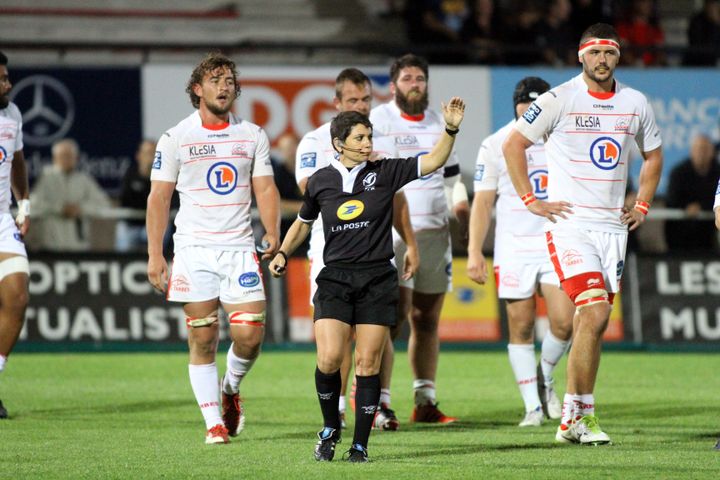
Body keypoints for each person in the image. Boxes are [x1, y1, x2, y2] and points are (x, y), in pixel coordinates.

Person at [270, 98, 466, 462]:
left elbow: (434, 160)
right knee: (329, 358)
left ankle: (359, 445)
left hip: (377, 278)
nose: (367, 143)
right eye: (360, 137)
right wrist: (282, 252)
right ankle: (330, 428)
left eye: (369, 136)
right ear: (338, 143)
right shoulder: (321, 181)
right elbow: (303, 222)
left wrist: (450, 129)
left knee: (367, 364)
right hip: (335, 279)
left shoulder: (386, 171)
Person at [503, 23, 663, 445]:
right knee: (593, 312)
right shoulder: (559, 98)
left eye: (609, 53)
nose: (602, 60)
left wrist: (642, 202)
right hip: (570, 225)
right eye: (595, 53)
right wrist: (529, 199)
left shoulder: (635, 102)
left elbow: (654, 153)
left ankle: (571, 417)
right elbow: (513, 145)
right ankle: (580, 416)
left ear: (619, 57)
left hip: (613, 227)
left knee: (592, 320)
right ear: (581, 56)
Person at [146, 52, 280, 445]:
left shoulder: (253, 134)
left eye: (229, 79)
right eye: (215, 79)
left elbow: (266, 187)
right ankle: (213, 424)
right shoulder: (176, 137)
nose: (224, 86)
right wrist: (156, 253)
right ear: (196, 88)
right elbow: (159, 198)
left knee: (249, 336)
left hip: (239, 248)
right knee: (203, 337)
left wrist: (271, 229)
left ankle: (231, 388)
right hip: (193, 250)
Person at [295, 68, 418, 430]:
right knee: (339, 337)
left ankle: (379, 403)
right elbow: (311, 191)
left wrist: (410, 242)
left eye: (366, 99)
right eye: (353, 100)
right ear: (337, 103)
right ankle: (342, 409)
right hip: (329, 249)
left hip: (378, 247)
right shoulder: (314, 142)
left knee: (380, 329)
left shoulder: (381, 143)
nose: (362, 105)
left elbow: (398, 200)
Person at [468, 76, 575, 427]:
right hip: (514, 247)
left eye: (536, 103)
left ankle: (545, 376)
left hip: (555, 241)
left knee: (563, 322)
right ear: (514, 105)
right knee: (521, 324)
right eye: (523, 103)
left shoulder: (562, 138)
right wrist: (473, 252)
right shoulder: (496, 143)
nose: (529, 110)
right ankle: (532, 406)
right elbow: (482, 204)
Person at [371, 53, 470, 425]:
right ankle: (377, 400)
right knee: (389, 318)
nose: (415, 84)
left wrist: (462, 213)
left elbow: (452, 181)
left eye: (420, 78)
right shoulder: (378, 121)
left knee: (426, 318)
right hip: (390, 234)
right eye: (407, 78)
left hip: (434, 234)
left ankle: (424, 400)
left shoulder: (439, 124)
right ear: (393, 84)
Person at [0, 51, 30, 419]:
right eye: (3, 78)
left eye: (7, 77)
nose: (8, 84)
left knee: (18, 295)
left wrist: (25, 205)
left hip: (1, 220)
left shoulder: (13, 114)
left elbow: (18, 162)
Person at [30, 138, 111, 251]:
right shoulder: (47, 177)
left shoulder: (83, 179)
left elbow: (104, 203)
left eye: (70, 156)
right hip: (51, 244)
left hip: (78, 244)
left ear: (76, 158)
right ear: (55, 158)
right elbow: (34, 203)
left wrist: (80, 209)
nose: (66, 159)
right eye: (63, 156)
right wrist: (60, 208)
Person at [665, 134, 720, 252]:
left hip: (709, 234)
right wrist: (687, 208)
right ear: (691, 151)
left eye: (705, 150)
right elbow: (672, 200)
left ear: (712, 152)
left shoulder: (717, 172)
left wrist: (702, 206)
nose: (702, 154)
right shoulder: (679, 173)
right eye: (698, 149)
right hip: (680, 234)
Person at [115, 139, 156, 252]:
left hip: (154, 224)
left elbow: (170, 201)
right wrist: (144, 175)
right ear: (139, 156)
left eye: (154, 153)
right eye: (148, 153)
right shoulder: (130, 174)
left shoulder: (164, 176)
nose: (151, 157)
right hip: (131, 223)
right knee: (124, 238)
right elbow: (125, 200)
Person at [683, 0, 720, 66]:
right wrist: (714, 24)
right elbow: (698, 44)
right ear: (706, 5)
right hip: (695, 63)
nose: (713, 9)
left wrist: (716, 23)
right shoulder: (697, 20)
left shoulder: (717, 21)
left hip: (712, 63)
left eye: (715, 6)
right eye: (711, 5)